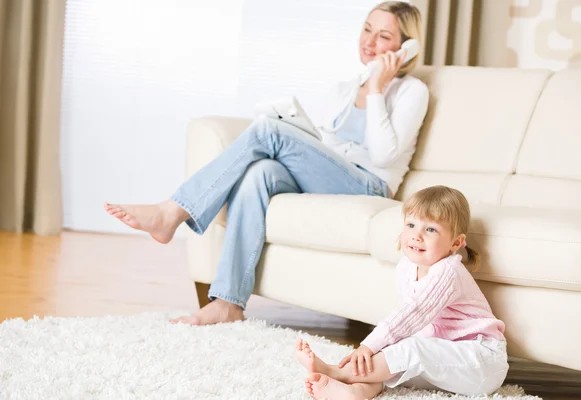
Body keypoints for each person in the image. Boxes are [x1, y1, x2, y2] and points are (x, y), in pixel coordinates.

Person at [104, 1, 429, 326]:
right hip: (330, 177)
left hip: (370, 184)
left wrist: (376, 90)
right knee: (258, 173)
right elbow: (323, 144)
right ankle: (228, 303)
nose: (369, 41)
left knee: (266, 131)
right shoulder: (343, 89)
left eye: (383, 36)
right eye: (367, 29)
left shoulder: (412, 91)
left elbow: (385, 155)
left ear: (405, 47)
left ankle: (173, 211)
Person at [295, 185, 509, 399]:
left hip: (480, 361)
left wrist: (369, 345)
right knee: (390, 360)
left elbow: (414, 312)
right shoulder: (406, 267)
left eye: (430, 229)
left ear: (456, 243)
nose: (417, 236)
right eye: (411, 225)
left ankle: (337, 372)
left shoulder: (449, 271)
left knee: (410, 349)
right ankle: (355, 392)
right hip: (444, 359)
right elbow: (408, 327)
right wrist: (380, 349)